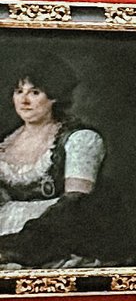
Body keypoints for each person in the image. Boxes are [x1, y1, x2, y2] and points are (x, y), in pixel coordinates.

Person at [1, 53, 108, 269]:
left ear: (54, 96)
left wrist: (17, 245)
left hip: (56, 234)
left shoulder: (80, 139)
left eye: (35, 92)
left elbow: (75, 205)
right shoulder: (6, 143)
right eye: (19, 91)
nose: (24, 100)